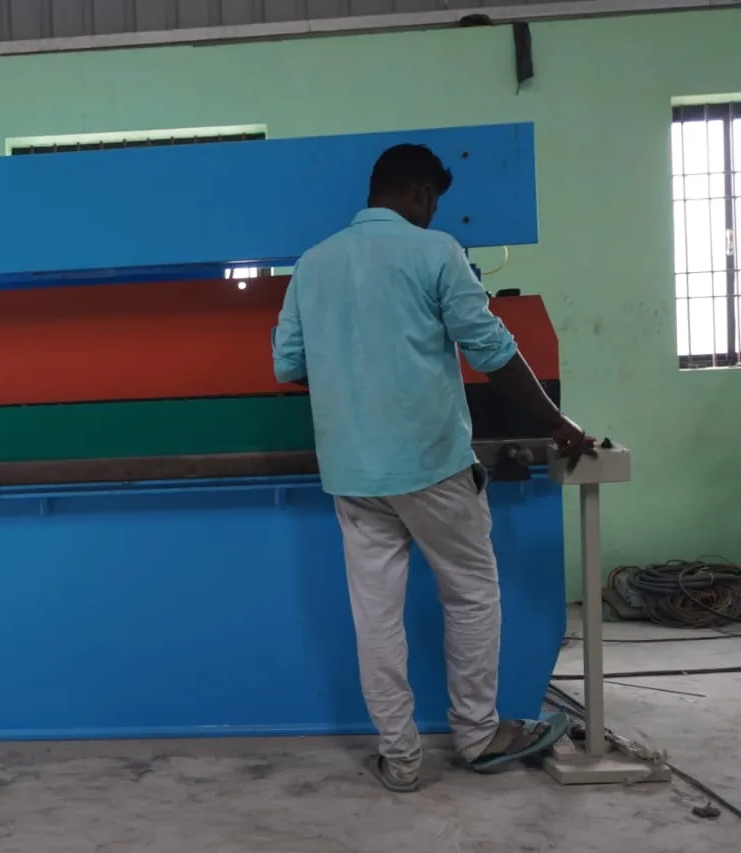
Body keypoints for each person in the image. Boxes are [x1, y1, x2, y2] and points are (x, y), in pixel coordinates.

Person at [271, 144, 593, 792]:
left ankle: (400, 757)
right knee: (471, 594)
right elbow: (491, 348)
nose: (433, 212)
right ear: (420, 193)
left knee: (376, 616)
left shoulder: (313, 264)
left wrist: (354, 379)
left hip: (354, 473)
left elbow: (288, 364)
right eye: (434, 201)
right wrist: (555, 421)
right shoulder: (435, 251)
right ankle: (477, 735)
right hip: (432, 465)